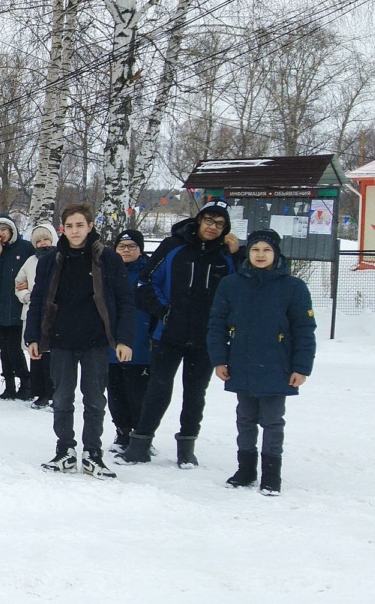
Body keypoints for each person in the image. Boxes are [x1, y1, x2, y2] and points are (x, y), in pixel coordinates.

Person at [119, 199, 241, 468]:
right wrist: (165, 312)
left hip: (205, 337)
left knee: (195, 393)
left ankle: (187, 447)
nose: (213, 227)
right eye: (209, 220)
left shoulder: (226, 256)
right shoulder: (174, 246)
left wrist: (238, 254)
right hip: (168, 334)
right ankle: (140, 444)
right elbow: (146, 283)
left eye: (220, 224)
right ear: (199, 220)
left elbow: (239, 291)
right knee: (158, 389)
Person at [25, 204, 134, 479]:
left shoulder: (108, 259)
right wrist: (32, 337)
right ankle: (65, 450)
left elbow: (125, 301)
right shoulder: (50, 261)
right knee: (62, 399)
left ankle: (93, 454)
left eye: (80, 225)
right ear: (63, 229)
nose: (75, 231)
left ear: (90, 227)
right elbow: (37, 300)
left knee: (95, 400)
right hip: (61, 340)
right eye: (70, 226)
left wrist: (124, 339)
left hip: (95, 341)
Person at [207, 229, 316, 496]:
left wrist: (301, 368)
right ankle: (245, 470)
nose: (260, 255)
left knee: (272, 421)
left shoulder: (293, 287)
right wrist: (219, 360)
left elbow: (304, 330)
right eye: (255, 249)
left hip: (278, 365)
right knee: (245, 418)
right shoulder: (231, 284)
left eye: (266, 250)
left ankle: (271, 475)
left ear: (276, 254)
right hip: (241, 362)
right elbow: (217, 324)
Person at [107, 229, 153, 455]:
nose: (126, 250)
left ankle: (141, 435)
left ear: (140, 250)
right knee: (115, 394)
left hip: (141, 345)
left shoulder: (149, 273)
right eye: (122, 247)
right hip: (110, 346)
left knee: (139, 394)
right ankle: (122, 431)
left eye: (132, 246)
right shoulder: (107, 271)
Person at [0, 214, 35, 400]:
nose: (1, 234)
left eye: (4, 230)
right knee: (4, 350)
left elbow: (35, 270)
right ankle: (9, 385)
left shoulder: (26, 248)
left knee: (15, 348)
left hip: (18, 307)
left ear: (11, 230)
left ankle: (26, 383)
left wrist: (29, 284)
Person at [14, 223, 58, 408]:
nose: (43, 244)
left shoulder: (60, 259)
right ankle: (39, 392)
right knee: (36, 353)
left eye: (46, 239)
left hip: (54, 314)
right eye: (38, 241)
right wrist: (28, 296)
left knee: (52, 357)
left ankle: (53, 393)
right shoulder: (30, 262)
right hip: (33, 312)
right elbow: (18, 283)